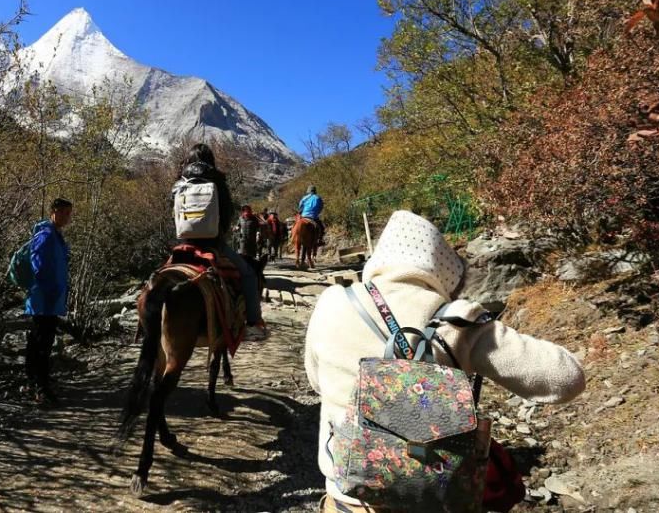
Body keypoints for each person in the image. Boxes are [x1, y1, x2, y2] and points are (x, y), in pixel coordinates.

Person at [304, 210, 586, 512]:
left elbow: (316, 381)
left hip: (346, 498)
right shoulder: (459, 321)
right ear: (441, 270)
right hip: (430, 500)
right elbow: (567, 380)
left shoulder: (332, 301)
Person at [173, 143, 267, 341]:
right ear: (210, 160)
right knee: (249, 274)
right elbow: (227, 214)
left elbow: (172, 213)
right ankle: (253, 324)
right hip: (214, 244)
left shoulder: (179, 183)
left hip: (184, 243)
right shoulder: (218, 180)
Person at [25, 197, 73, 405]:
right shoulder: (45, 236)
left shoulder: (56, 236)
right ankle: (40, 387)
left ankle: (37, 382)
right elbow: (38, 266)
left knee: (42, 342)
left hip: (51, 300)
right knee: (41, 344)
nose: (66, 217)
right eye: (63, 212)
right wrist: (50, 290)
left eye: (69, 213)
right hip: (42, 300)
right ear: (53, 211)